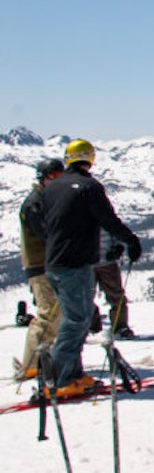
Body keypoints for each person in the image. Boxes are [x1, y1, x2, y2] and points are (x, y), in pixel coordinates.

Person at [40, 139, 143, 393]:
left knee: (75, 318)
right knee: (77, 320)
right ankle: (59, 378)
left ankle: (72, 373)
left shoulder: (52, 189)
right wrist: (130, 241)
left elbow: (45, 224)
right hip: (76, 263)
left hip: (53, 262)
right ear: (90, 159)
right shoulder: (89, 187)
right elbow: (108, 219)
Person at [16, 159, 64, 379]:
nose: (56, 181)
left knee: (56, 313)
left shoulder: (45, 199)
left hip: (48, 263)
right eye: (52, 177)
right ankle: (32, 364)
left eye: (60, 176)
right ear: (42, 178)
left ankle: (42, 359)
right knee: (48, 314)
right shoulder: (35, 203)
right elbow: (46, 233)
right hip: (40, 265)